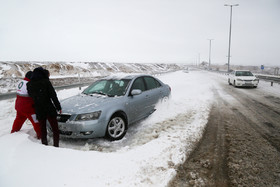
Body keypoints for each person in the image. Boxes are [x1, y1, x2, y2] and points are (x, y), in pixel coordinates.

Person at [27, 67, 61, 147]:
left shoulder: (29, 84)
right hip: (49, 108)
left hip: (39, 109)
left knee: (42, 129)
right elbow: (53, 96)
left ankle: (44, 145)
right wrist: (58, 107)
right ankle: (56, 145)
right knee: (55, 129)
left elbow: (31, 96)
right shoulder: (46, 82)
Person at [11, 71, 41, 139]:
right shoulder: (30, 84)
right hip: (28, 108)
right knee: (36, 122)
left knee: (18, 120)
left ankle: (13, 132)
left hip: (19, 106)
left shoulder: (20, 82)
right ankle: (40, 136)